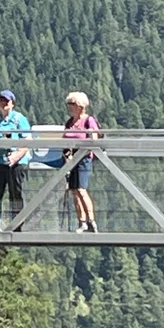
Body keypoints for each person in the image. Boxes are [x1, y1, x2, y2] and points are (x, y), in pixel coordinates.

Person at [0, 89, 32, 223]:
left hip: (16, 163)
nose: (3, 103)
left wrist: (17, 156)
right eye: (1, 100)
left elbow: (28, 141)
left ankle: (17, 224)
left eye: (6, 100)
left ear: (12, 103)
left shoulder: (19, 119)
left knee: (15, 194)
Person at [63, 91, 101, 232]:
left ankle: (91, 220)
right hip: (72, 159)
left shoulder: (88, 120)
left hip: (84, 158)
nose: (69, 107)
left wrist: (84, 150)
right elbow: (64, 139)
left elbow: (94, 138)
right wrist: (67, 155)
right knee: (74, 191)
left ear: (80, 106)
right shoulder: (69, 122)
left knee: (81, 189)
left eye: (72, 104)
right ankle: (82, 221)